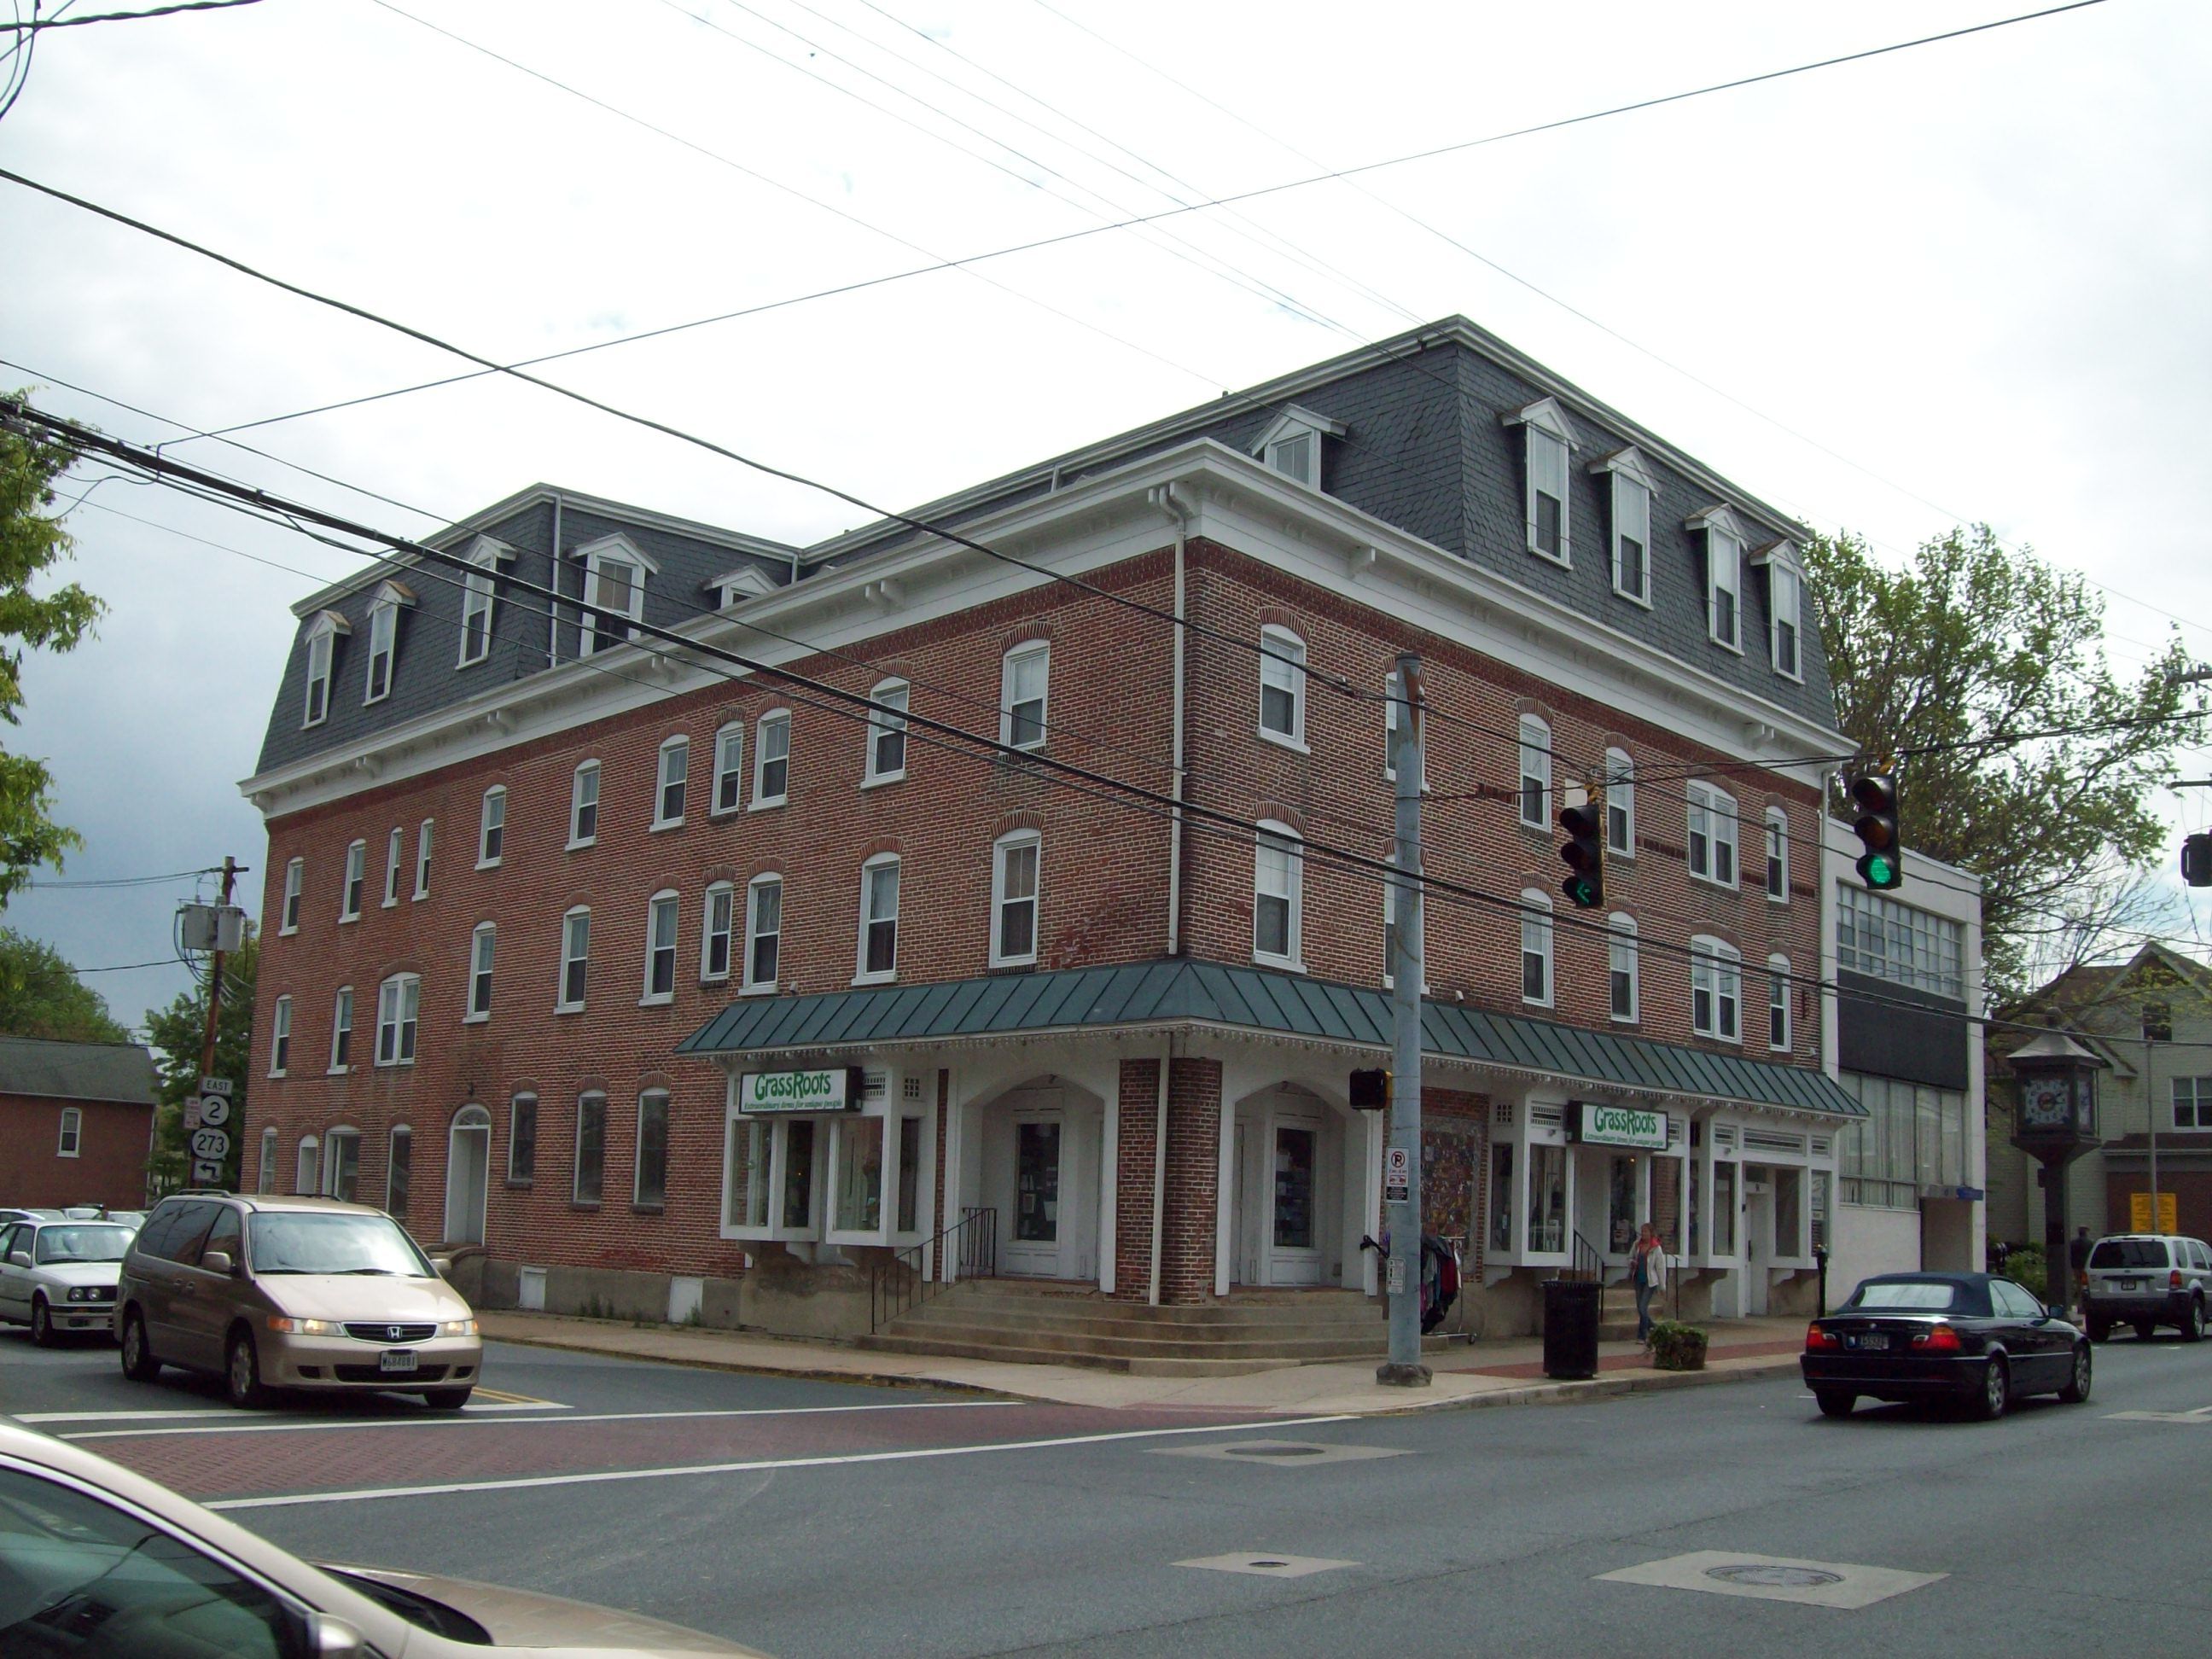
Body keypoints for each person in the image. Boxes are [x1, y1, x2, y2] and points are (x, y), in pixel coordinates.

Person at [1630, 1221, 1668, 1345]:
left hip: (1650, 1281)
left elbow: (1660, 1267)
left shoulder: (1656, 1248)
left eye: (1646, 1231)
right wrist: (1632, 1262)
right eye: (1642, 1231)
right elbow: (1629, 1257)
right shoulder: (1637, 1245)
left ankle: (1642, 1336)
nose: (1643, 1234)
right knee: (1640, 1308)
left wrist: (1662, 1286)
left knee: (1643, 1307)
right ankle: (1654, 1328)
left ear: (1651, 1233)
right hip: (1638, 1279)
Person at [2069, 1225, 2093, 1312]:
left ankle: (2079, 1305)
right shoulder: (2090, 1243)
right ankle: (2085, 1306)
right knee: (2086, 1287)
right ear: (2086, 1233)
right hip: (2086, 1268)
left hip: (2076, 1267)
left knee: (2079, 1287)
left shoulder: (2073, 1243)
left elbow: (2070, 1255)